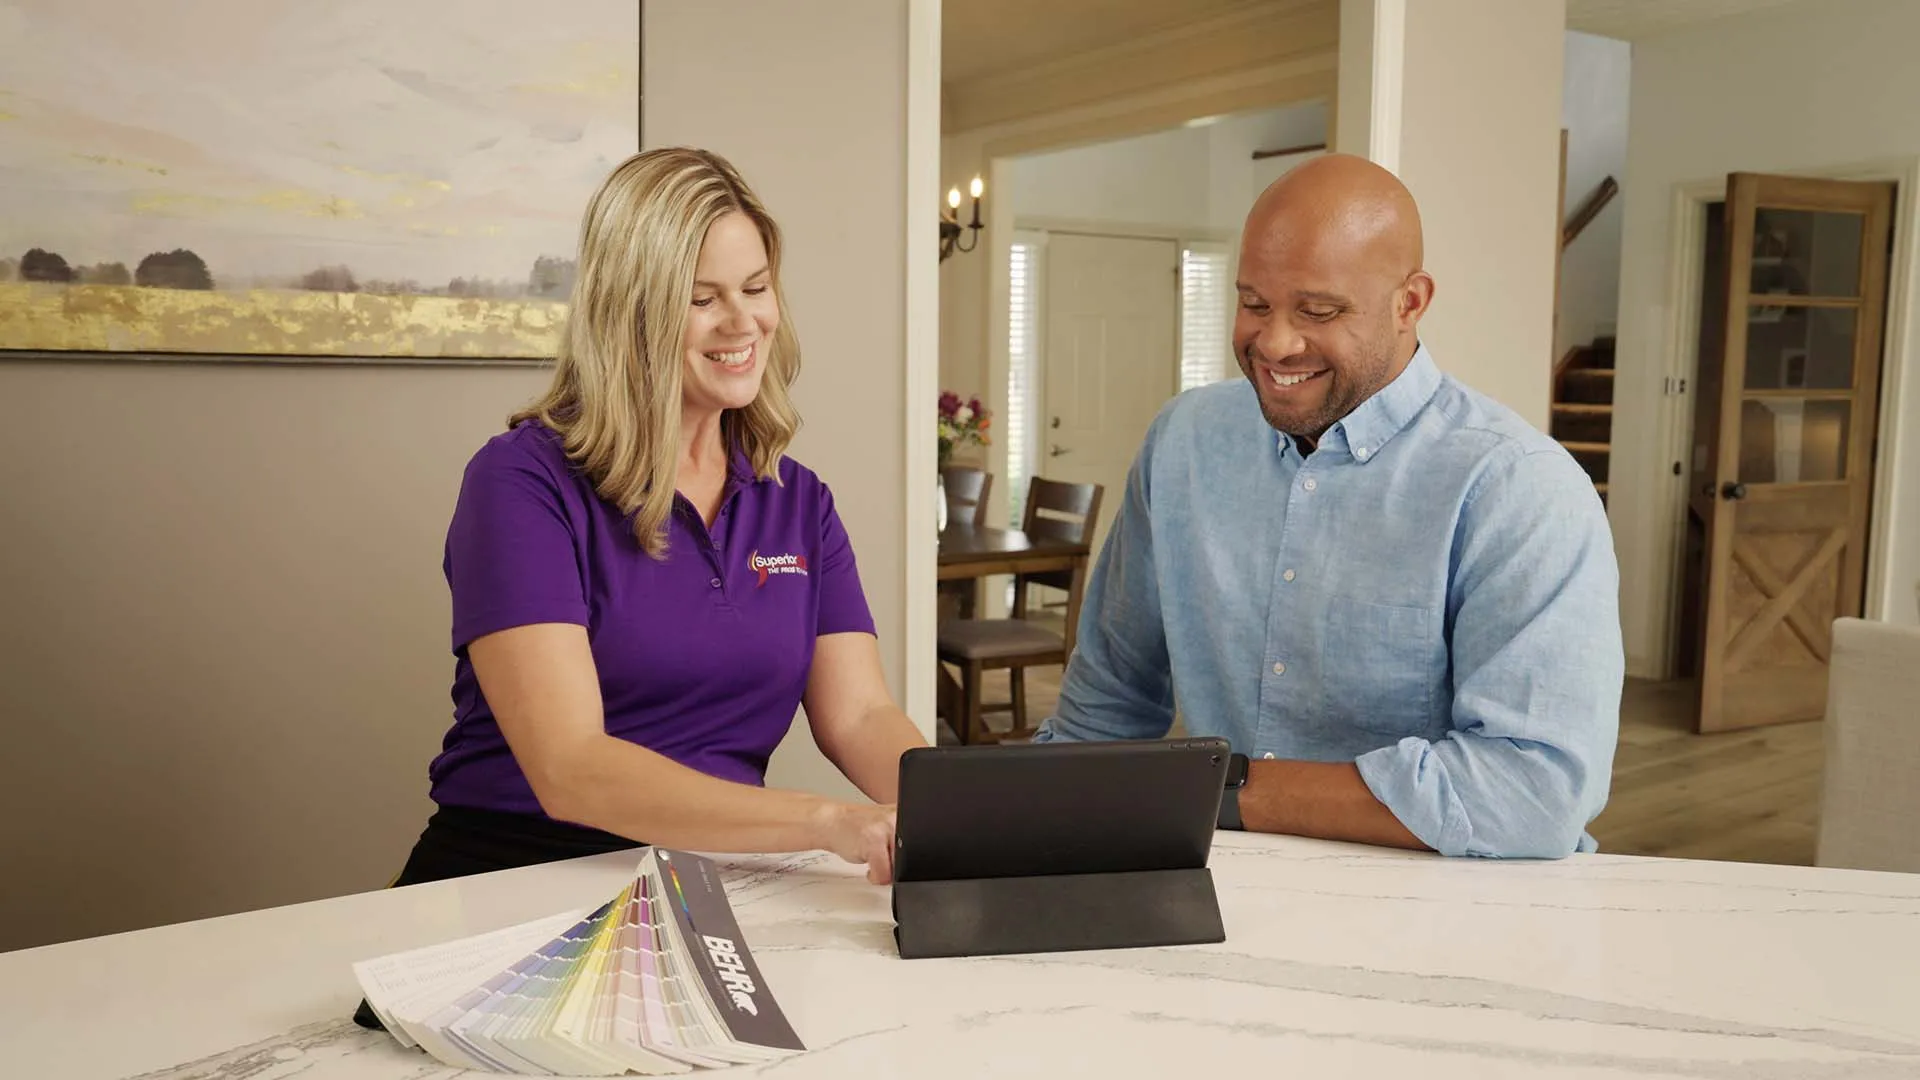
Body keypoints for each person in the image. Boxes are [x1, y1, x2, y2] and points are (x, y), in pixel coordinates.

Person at [1032, 153, 1623, 859]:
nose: (1275, 342)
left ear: (1411, 302)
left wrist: (1222, 792)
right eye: (1254, 303)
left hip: (1454, 915)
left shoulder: (1516, 487)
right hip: (1223, 892)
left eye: (1319, 310)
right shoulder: (1183, 442)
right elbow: (1106, 708)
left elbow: (1533, 793)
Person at [393, 146, 927, 893]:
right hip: (512, 875)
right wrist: (828, 822)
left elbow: (862, 716)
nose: (743, 322)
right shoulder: (520, 482)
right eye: (702, 298)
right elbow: (571, 766)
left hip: (698, 883)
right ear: (629, 312)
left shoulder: (796, 500)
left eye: (757, 287)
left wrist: (958, 813)